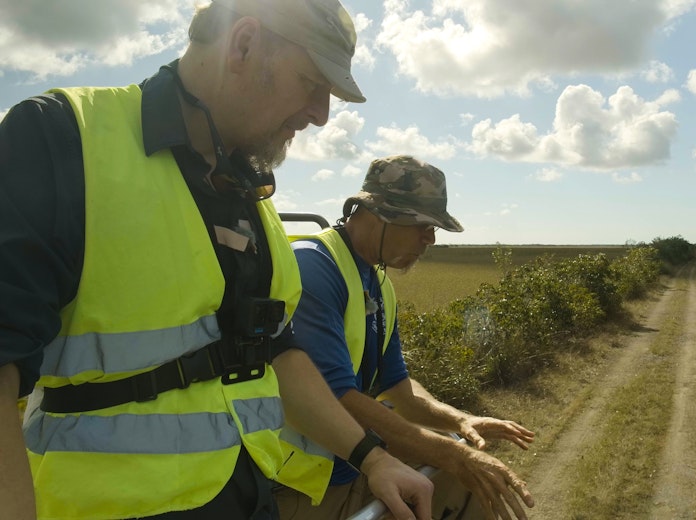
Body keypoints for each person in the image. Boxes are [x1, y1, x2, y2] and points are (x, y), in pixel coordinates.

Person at [0, 1, 434, 519]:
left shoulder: (251, 196)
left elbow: (276, 350)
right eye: (313, 82)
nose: (321, 115)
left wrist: (372, 459)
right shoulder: (62, 137)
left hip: (251, 497)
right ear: (243, 43)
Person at [276, 155, 536, 520]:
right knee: (457, 469)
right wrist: (454, 454)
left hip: (351, 464)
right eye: (422, 225)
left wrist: (459, 421)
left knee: (473, 481)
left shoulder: (378, 284)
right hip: (303, 485)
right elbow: (339, 399)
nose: (430, 239)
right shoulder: (312, 270)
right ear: (377, 212)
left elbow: (398, 388)